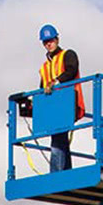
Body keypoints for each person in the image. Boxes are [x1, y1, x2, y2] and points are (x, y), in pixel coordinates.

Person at [38, 23, 85, 172]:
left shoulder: (68, 55)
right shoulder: (44, 67)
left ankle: (56, 174)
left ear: (57, 39)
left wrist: (56, 82)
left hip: (67, 103)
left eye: (51, 40)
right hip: (52, 108)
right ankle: (66, 171)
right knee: (60, 138)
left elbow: (71, 71)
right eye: (46, 42)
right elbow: (41, 88)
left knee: (58, 139)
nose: (49, 44)